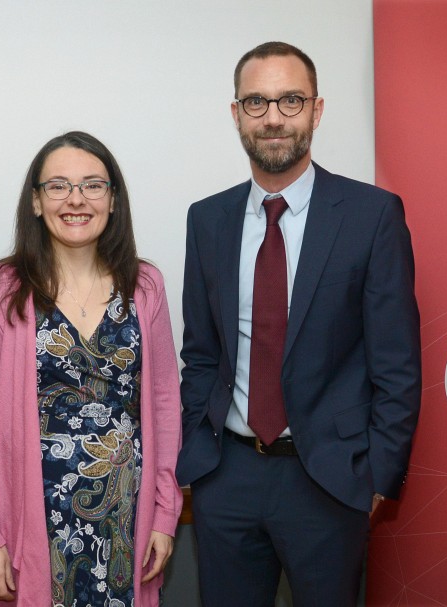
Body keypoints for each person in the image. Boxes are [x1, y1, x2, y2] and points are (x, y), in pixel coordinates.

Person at [175, 41, 422, 606]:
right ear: (236, 114)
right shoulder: (207, 218)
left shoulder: (371, 216)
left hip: (329, 481)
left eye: (291, 100)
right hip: (227, 476)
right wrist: (196, 452)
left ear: (317, 109)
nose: (274, 118)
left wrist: (377, 474)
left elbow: (397, 363)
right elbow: (202, 354)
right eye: (257, 103)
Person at [0, 131, 183, 607]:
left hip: (125, 528)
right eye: (57, 186)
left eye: (92, 185)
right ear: (36, 202)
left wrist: (164, 515)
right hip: (27, 534)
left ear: (113, 199)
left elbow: (164, 407)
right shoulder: (1, 291)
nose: (75, 199)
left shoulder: (146, 288)